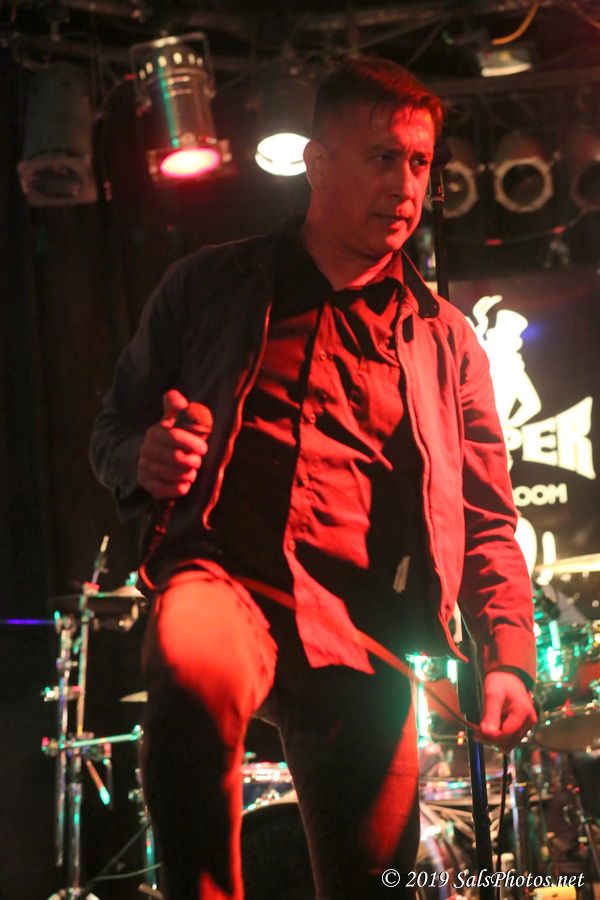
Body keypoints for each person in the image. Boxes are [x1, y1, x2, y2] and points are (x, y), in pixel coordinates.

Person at [90, 57, 537, 900]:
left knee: (378, 882)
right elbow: (112, 430)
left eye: (419, 162)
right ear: (316, 164)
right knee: (190, 664)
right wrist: (144, 455)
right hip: (229, 585)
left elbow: (486, 517)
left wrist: (508, 656)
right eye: (382, 157)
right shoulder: (208, 286)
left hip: (361, 638)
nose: (405, 185)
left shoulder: (447, 341)